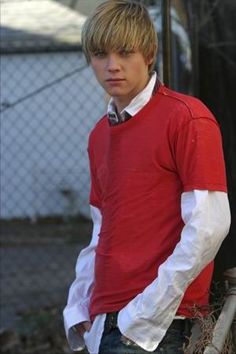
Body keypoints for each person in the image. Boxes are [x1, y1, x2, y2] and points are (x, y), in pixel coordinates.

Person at [63, 1, 231, 353]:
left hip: (158, 324)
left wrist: (147, 311)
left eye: (125, 52)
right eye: (99, 54)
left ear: (150, 53)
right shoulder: (99, 135)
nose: (112, 66)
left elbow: (210, 225)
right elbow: (102, 228)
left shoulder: (186, 117)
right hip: (103, 319)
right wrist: (80, 302)